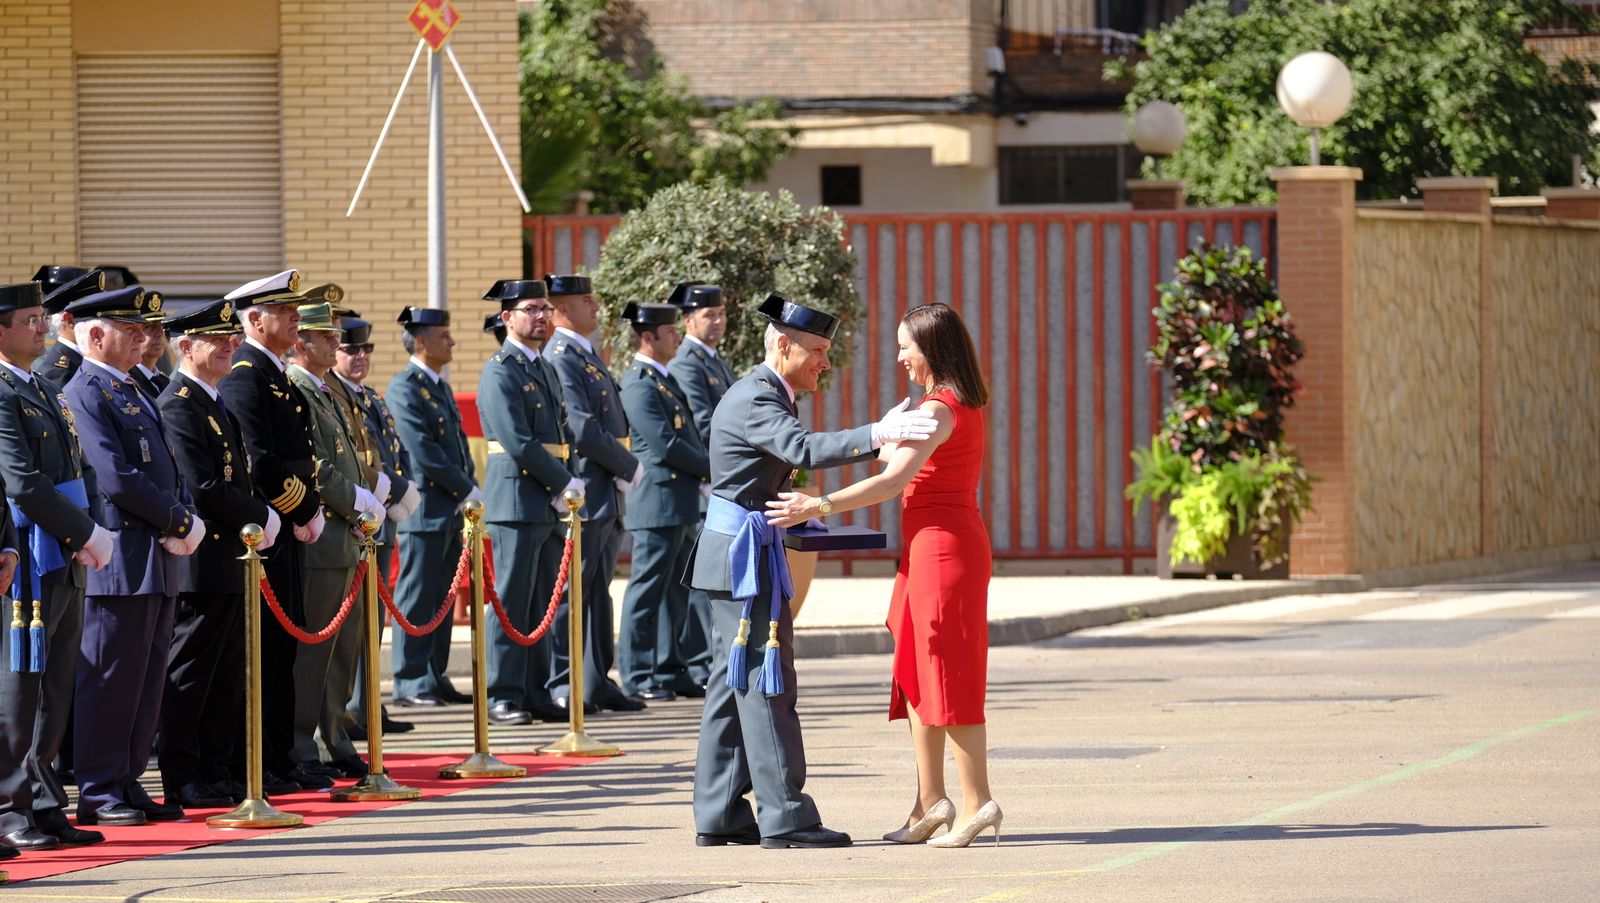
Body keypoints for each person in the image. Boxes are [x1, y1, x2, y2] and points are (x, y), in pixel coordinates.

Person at [689, 292, 938, 850]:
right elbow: (797, 446)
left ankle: (721, 811)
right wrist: (878, 436)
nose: (826, 362)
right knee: (765, 683)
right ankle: (786, 818)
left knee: (734, 685)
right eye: (818, 351)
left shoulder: (763, 391)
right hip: (742, 556)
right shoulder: (757, 396)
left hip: (738, 551)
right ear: (784, 344)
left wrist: (873, 445)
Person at [765, 302, 1000, 847]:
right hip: (929, 548)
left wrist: (817, 505)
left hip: (946, 552)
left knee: (947, 672)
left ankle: (976, 801)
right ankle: (930, 801)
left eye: (906, 347)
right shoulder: (937, 406)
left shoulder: (941, 408)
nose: (899, 357)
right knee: (917, 672)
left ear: (932, 350)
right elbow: (898, 465)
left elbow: (893, 482)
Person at [63, 284, 203, 826]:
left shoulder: (133, 388)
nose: (145, 338)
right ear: (96, 335)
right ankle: (99, 790)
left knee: (146, 682)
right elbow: (114, 477)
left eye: (146, 329)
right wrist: (179, 519)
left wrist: (186, 516)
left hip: (158, 555)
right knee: (111, 679)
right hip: (120, 557)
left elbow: (170, 468)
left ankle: (128, 780)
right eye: (132, 330)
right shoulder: (85, 392)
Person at [155, 298, 276, 808]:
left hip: (231, 557)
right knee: (191, 670)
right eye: (216, 338)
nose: (230, 344)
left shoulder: (210, 399)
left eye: (232, 336)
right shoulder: (179, 402)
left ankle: (217, 765)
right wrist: (262, 514)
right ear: (185, 346)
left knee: (227, 670)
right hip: (203, 560)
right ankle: (182, 772)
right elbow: (203, 487)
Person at [0, 280, 104, 854]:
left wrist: (92, 533)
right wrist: (85, 531)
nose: (43, 329)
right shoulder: (1, 392)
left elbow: (80, 464)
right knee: (18, 692)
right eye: (32, 320)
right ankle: (9, 807)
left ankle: (43, 802)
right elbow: (21, 480)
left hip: (64, 550)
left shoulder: (43, 386)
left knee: (55, 687)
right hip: (26, 554)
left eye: (44, 318)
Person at [218, 269, 328, 795]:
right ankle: (259, 760)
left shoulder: (276, 372)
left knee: (283, 647)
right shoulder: (246, 374)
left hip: (286, 528)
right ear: (255, 320)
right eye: (285, 312)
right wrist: (302, 509)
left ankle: (280, 757)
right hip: (268, 528)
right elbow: (258, 461)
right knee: (264, 650)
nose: (295, 319)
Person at [285, 302, 386, 785]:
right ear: (302, 342)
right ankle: (304, 743)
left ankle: (334, 737)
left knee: (342, 651)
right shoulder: (299, 387)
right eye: (328, 338)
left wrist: (371, 491)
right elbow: (317, 467)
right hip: (323, 533)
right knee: (315, 653)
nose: (337, 345)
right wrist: (357, 500)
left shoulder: (324, 390)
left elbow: (347, 456)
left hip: (345, 534)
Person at [476, 279, 580, 725]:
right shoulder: (501, 368)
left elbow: (561, 432)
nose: (541, 316)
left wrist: (568, 479)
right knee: (511, 601)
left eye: (545, 308)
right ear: (507, 319)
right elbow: (518, 441)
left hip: (547, 500)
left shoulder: (544, 368)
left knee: (543, 601)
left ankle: (534, 691)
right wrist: (563, 482)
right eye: (530, 309)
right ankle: (501, 693)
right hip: (517, 500)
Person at [544, 274, 642, 713]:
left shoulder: (584, 352)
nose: (595, 306)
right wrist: (627, 465)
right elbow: (582, 426)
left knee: (598, 590)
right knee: (572, 591)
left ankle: (597, 677)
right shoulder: (562, 355)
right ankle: (565, 679)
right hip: (588, 484)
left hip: (606, 488)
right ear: (562, 308)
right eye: (586, 300)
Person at [329, 312, 419, 739]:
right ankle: (349, 711)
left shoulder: (368, 398)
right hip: (358, 518)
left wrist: (400, 489)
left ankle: (368, 707)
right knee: (351, 624)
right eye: (351, 349)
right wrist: (392, 489)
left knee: (373, 620)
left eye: (366, 349)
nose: (361, 356)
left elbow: (389, 453)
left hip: (380, 519)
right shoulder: (332, 396)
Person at [386, 306, 477, 708]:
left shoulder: (437, 385)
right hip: (425, 507)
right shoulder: (405, 387)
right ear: (421, 341)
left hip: (450, 506)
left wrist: (468, 484)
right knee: (418, 595)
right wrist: (465, 487)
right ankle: (410, 680)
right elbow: (423, 453)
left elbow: (456, 447)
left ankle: (434, 674)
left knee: (442, 593)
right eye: (444, 335)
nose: (452, 342)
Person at [617, 302, 708, 702]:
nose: (677, 336)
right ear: (648, 337)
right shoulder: (639, 382)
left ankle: (670, 666)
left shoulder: (662, 378)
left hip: (680, 499)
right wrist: (713, 469)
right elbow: (665, 444)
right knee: (647, 590)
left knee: (677, 591)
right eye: (670, 331)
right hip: (657, 501)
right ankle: (637, 673)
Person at [666, 281, 731, 686]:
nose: (718, 320)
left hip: (716, 480)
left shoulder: (712, 360)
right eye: (709, 314)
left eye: (721, 313)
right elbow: (706, 424)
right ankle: (696, 660)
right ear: (688, 320)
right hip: (705, 479)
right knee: (698, 584)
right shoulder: (686, 362)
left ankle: (703, 660)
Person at [32, 267, 104, 389]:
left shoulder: (84, 359)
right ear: (69, 320)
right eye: (93, 316)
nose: (101, 322)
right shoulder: (59, 373)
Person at [130, 309, 171, 398]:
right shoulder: (127, 380)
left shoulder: (164, 382)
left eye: (161, 326)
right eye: (148, 326)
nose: (159, 333)